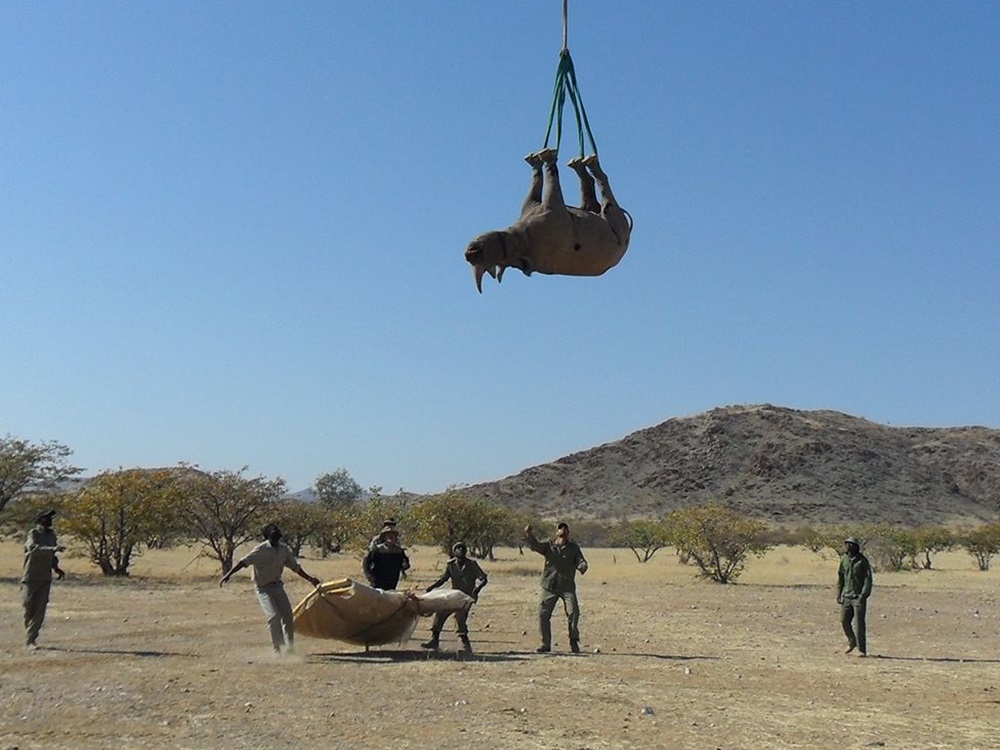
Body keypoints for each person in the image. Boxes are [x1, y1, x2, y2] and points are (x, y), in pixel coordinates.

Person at [220, 523, 321, 654]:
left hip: (277, 586)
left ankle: (290, 648)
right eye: (273, 532)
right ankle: (277, 648)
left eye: (277, 532)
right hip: (263, 589)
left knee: (288, 616)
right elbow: (243, 562)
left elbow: (295, 567)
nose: (276, 534)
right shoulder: (260, 550)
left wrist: (310, 579)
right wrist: (228, 575)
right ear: (268, 536)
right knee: (273, 616)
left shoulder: (283, 550)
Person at [524, 522, 588, 653]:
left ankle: (573, 640)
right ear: (556, 532)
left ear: (568, 532)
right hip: (549, 586)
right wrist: (529, 535)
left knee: (573, 612)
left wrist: (583, 566)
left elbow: (580, 560)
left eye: (565, 528)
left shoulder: (573, 548)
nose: (563, 530)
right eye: (560, 528)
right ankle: (545, 644)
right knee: (543, 614)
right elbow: (535, 546)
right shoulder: (549, 546)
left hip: (567, 587)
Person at [421, 541, 489, 653]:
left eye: (462, 548)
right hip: (454, 596)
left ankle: (465, 644)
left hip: (467, 597)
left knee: (460, 616)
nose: (460, 550)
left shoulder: (472, 565)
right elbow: (443, 579)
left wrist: (477, 589)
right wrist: (432, 587)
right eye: (458, 548)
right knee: (441, 612)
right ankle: (434, 639)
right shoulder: (451, 565)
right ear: (453, 551)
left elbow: (484, 579)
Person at [21, 509, 66, 650]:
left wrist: (56, 568)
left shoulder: (52, 535)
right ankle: (30, 628)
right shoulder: (33, 533)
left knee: (40, 609)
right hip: (30, 577)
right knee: (28, 606)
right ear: (40, 520)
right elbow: (33, 548)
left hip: (45, 578)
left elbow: (52, 556)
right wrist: (53, 548)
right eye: (47, 518)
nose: (50, 520)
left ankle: (31, 639)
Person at [837, 536, 874, 657]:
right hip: (846, 596)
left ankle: (861, 649)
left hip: (858, 597)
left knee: (859, 624)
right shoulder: (843, 560)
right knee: (844, 621)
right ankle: (851, 642)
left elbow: (868, 579)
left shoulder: (862, 561)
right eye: (847, 544)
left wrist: (863, 595)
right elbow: (841, 578)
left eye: (852, 544)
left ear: (856, 547)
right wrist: (839, 594)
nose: (849, 546)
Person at [363, 525, 410, 590]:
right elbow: (366, 562)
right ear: (384, 537)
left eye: (393, 534)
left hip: (392, 583)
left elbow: (405, 564)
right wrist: (369, 575)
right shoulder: (377, 550)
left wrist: (405, 566)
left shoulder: (399, 551)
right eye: (388, 534)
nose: (391, 536)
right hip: (377, 582)